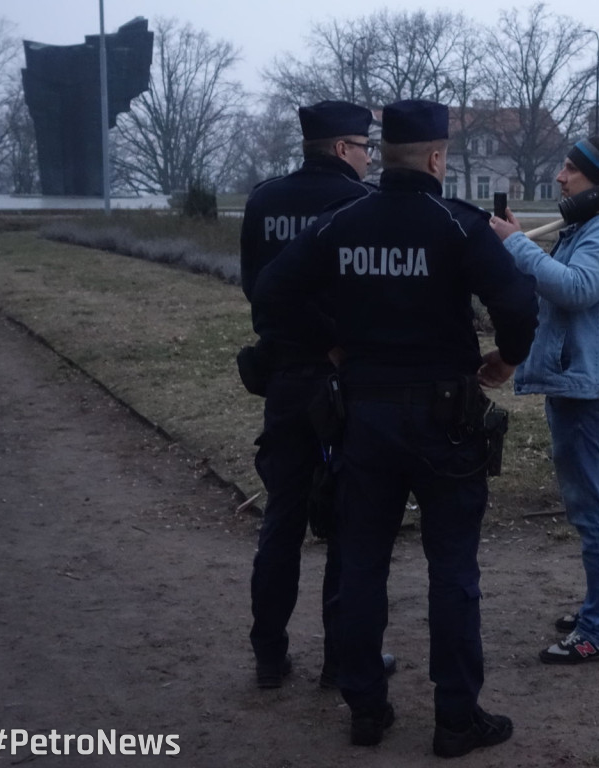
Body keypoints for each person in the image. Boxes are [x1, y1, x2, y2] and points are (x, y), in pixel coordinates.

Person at [252, 99, 538, 757]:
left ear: (381, 155)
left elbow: (272, 291)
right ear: (438, 157)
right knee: (452, 568)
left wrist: (330, 342)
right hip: (446, 417)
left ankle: (365, 707)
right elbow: (516, 299)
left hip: (364, 416)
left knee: (361, 564)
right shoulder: (457, 225)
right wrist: (505, 359)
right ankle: (456, 716)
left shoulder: (342, 222)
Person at [239, 100, 394, 689]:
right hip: (342, 378)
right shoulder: (361, 204)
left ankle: (269, 655)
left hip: (284, 376)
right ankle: (342, 658)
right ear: (340, 149)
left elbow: (257, 286)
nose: (369, 158)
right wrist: (334, 341)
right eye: (363, 147)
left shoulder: (264, 200)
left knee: (283, 515)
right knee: (348, 521)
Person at [489, 136, 599, 665]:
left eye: (569, 169)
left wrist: (516, 245)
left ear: (596, 177)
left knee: (596, 510)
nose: (560, 178)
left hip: (593, 386)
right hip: (593, 380)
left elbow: (578, 288)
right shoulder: (597, 223)